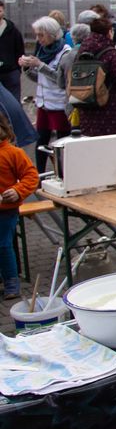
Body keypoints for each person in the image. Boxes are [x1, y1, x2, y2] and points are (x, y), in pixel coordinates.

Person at [19, 16, 74, 170]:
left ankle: (64, 172)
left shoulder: (65, 52)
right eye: (37, 35)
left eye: (41, 35)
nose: (38, 39)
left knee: (62, 141)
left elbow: (61, 79)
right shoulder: (42, 51)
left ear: (52, 34)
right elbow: (39, 78)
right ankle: (39, 173)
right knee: (41, 139)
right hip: (43, 103)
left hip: (59, 103)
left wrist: (40, 65)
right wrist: (27, 68)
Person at [0, 114, 39, 299]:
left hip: (6, 210)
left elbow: (31, 176)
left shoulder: (13, 153)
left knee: (3, 245)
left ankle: (11, 282)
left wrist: (17, 190)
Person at [74, 16, 116, 136]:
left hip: (86, 105)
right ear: (109, 32)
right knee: (112, 146)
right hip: (111, 108)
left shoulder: (82, 50)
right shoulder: (111, 53)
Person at [0, 0, 26, 100]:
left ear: (4, 11)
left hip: (10, 71)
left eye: (0, 11)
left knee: (13, 100)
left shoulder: (13, 30)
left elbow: (19, 49)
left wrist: (17, 69)